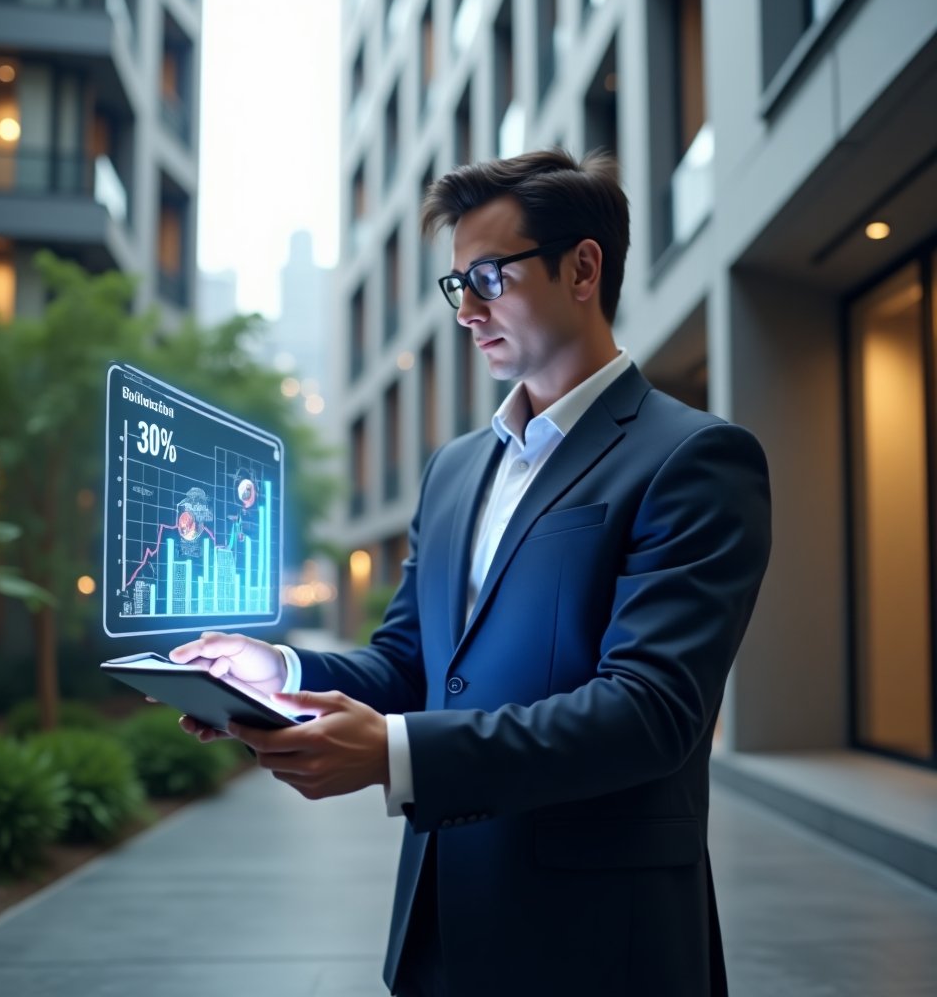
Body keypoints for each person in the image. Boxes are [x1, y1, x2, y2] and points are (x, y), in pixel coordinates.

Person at [170, 148, 771, 996]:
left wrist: (397, 754)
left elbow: (650, 712)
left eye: (488, 277)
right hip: (440, 930)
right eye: (458, 285)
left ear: (583, 269)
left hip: (599, 944)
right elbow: (410, 663)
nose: (467, 311)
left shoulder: (693, 458)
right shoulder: (454, 470)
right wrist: (278, 672)